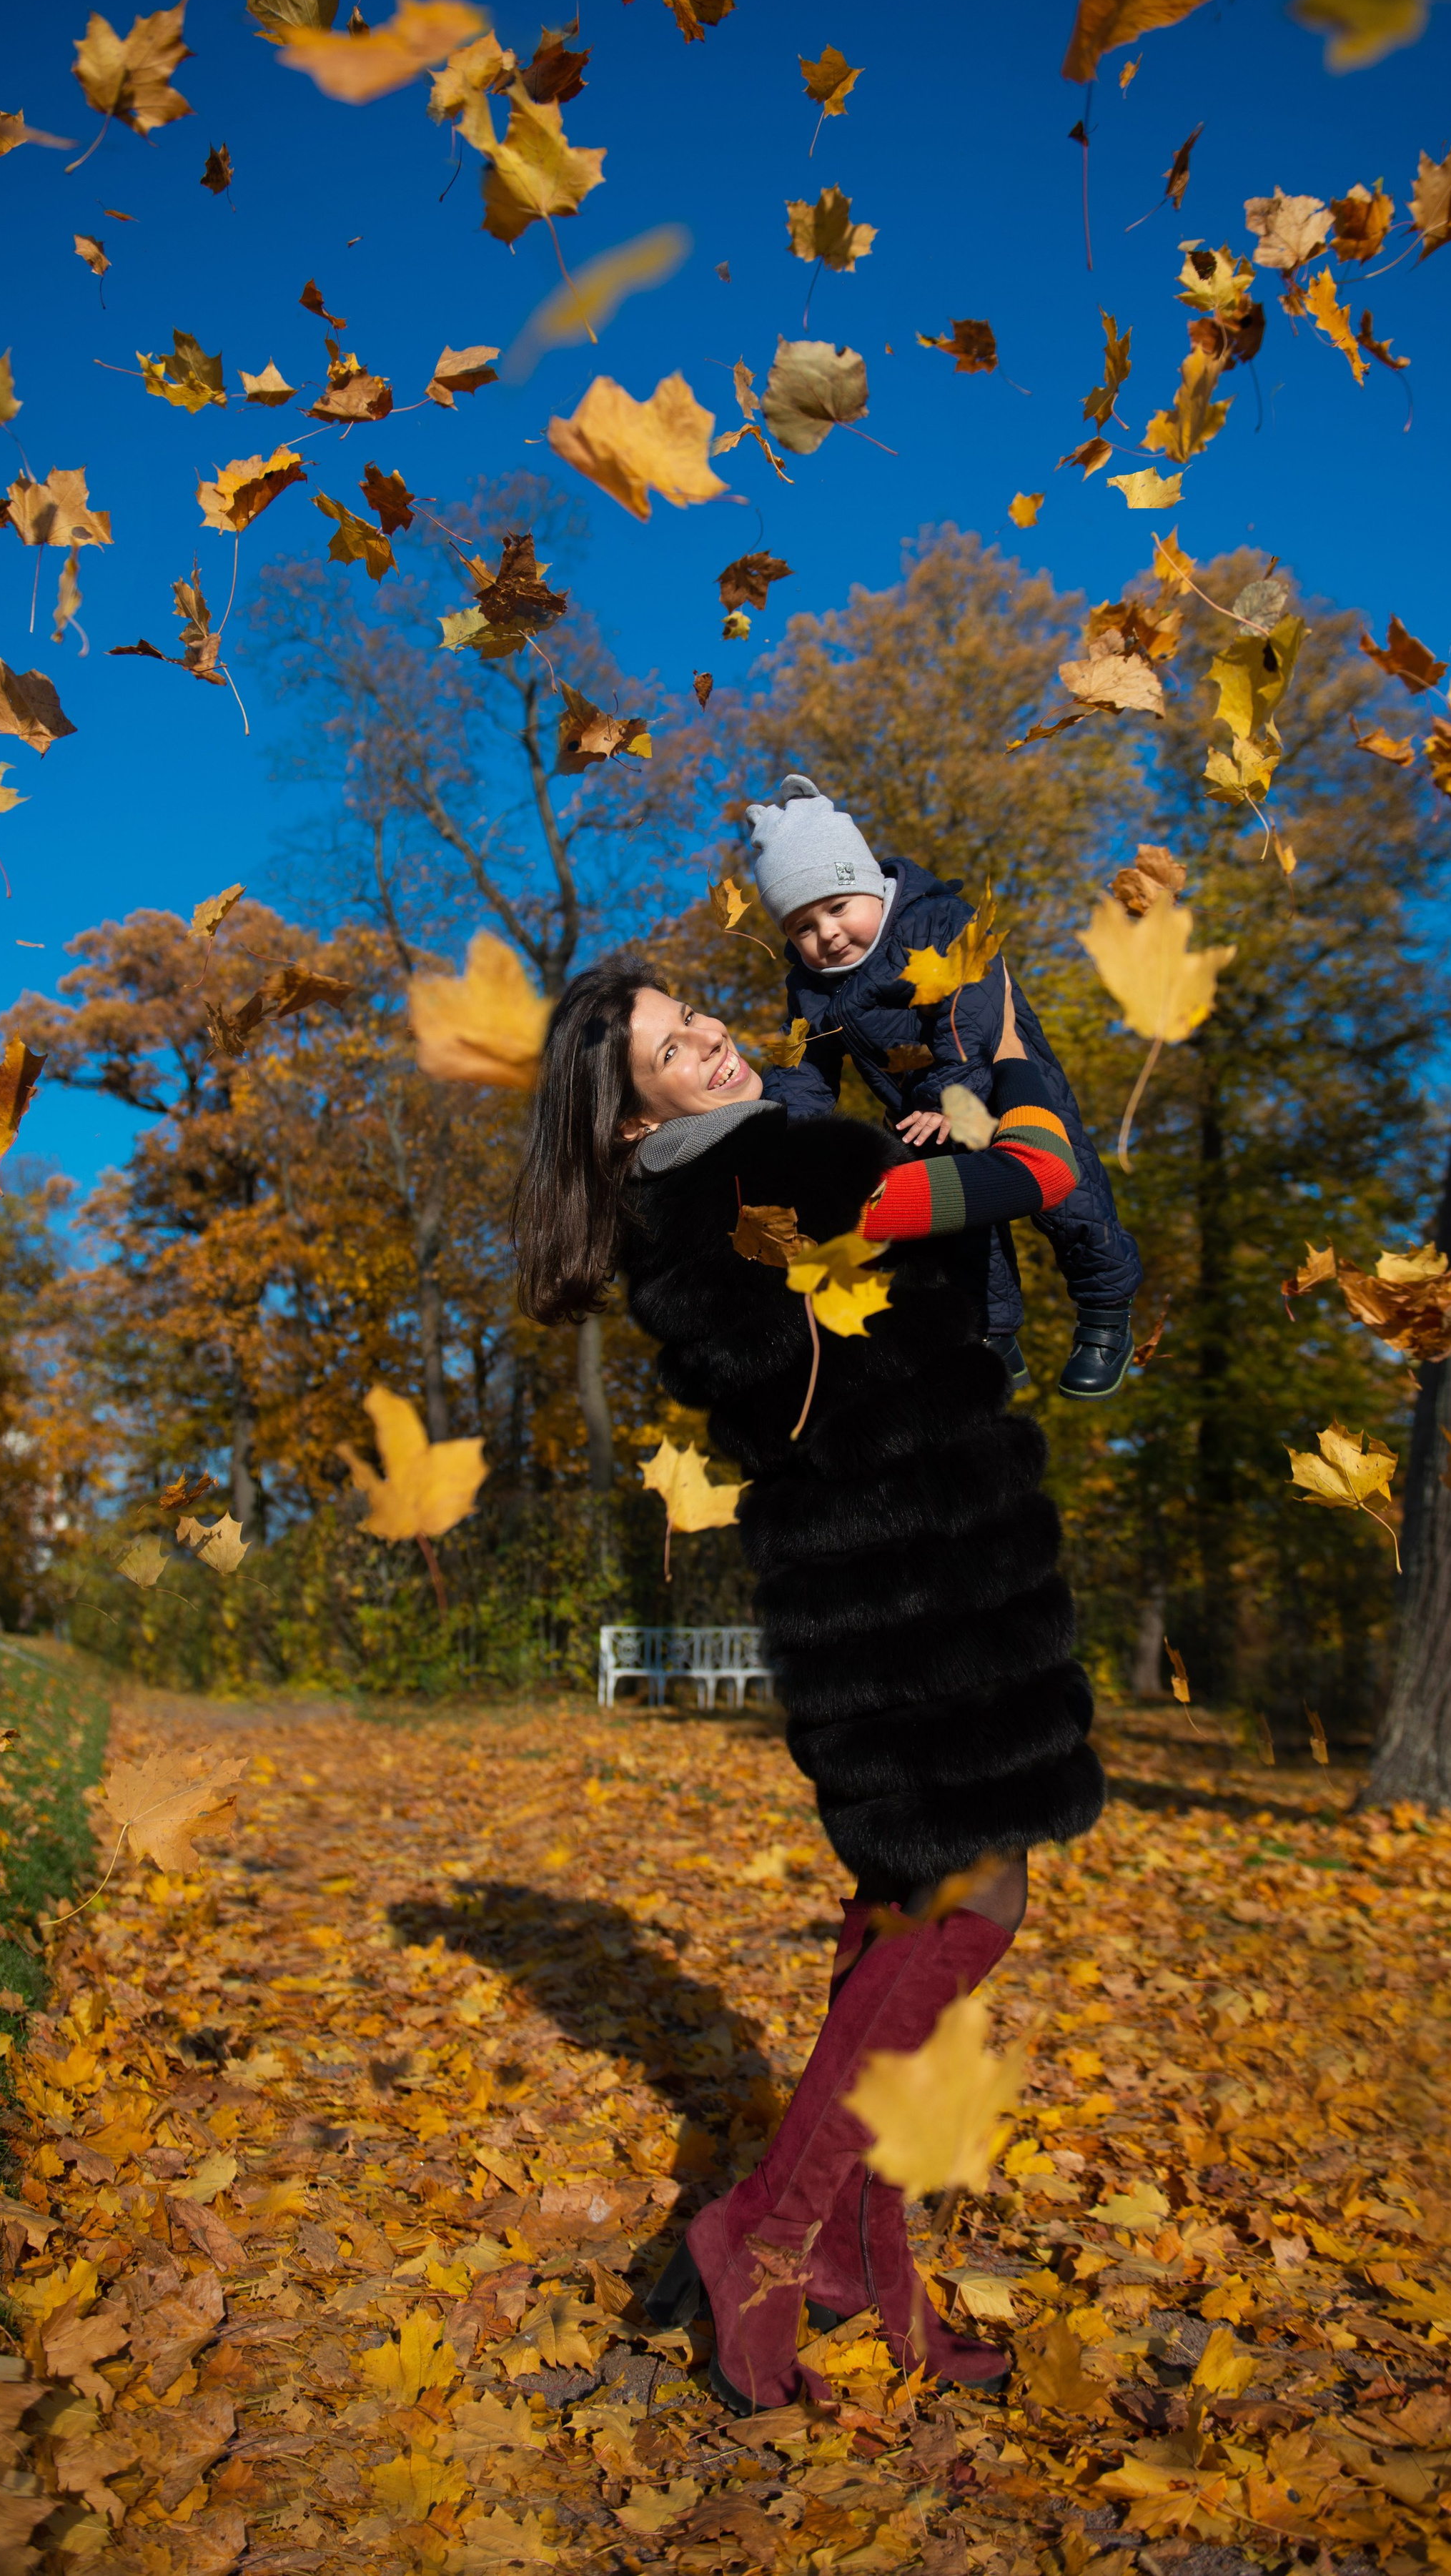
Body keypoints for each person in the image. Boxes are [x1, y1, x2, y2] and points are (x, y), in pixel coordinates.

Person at [510, 958, 1106, 2414]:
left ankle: (862, 2265)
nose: (709, 1038)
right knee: (976, 1902)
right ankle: (766, 2234)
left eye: (695, 1016)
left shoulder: (689, 1214)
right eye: (670, 1047)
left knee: (899, 1911)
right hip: (926, 1592)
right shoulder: (784, 1174)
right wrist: (1012, 1070)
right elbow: (1032, 1179)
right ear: (627, 1109)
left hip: (866, 1593)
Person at [745, 772, 1142, 1400]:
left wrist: (944, 1094)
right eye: (802, 927)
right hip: (923, 1117)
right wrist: (790, 1138)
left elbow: (970, 1008)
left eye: (837, 907)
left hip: (1000, 1082)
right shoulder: (812, 988)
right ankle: (994, 1336)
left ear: (869, 884)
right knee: (963, 1229)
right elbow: (806, 1066)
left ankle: (1105, 1306)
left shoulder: (933, 921)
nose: (827, 934)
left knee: (1070, 1199)